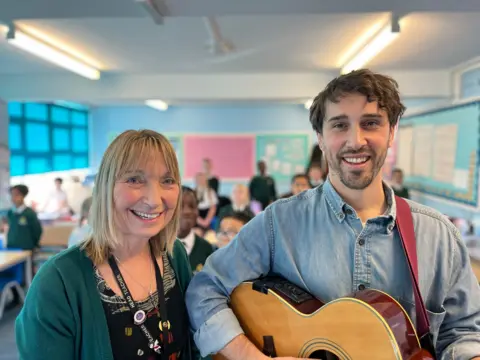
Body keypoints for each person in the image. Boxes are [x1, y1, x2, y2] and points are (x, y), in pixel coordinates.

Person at [185, 69, 480, 360]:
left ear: (392, 132)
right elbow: (205, 289)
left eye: (371, 123)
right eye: (340, 125)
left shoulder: (438, 236)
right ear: (321, 138)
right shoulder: (279, 224)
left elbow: (465, 331)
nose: (356, 140)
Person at [16, 130, 199, 360]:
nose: (154, 200)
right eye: (134, 180)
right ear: (105, 187)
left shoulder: (174, 254)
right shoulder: (57, 282)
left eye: (167, 180)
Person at [179, 186, 214, 274]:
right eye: (180, 206)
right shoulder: (158, 248)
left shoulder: (207, 249)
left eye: (192, 206)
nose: (187, 211)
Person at [6, 184, 42, 251]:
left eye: (16, 195)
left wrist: (34, 245)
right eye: (12, 195)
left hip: (26, 248)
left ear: (23, 196)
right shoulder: (10, 213)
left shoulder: (30, 213)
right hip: (11, 247)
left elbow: (37, 231)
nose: (13, 197)